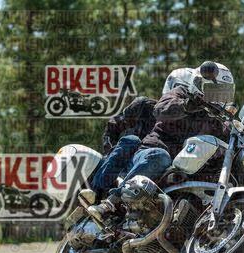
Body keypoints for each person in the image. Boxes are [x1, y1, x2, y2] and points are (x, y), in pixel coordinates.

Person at [87, 61, 236, 220]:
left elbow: (230, 136)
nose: (217, 97)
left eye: (222, 93)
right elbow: (161, 109)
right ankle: (111, 201)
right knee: (158, 155)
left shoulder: (216, 120)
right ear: (199, 84)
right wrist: (187, 105)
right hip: (151, 154)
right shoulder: (181, 94)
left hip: (181, 169)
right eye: (214, 91)